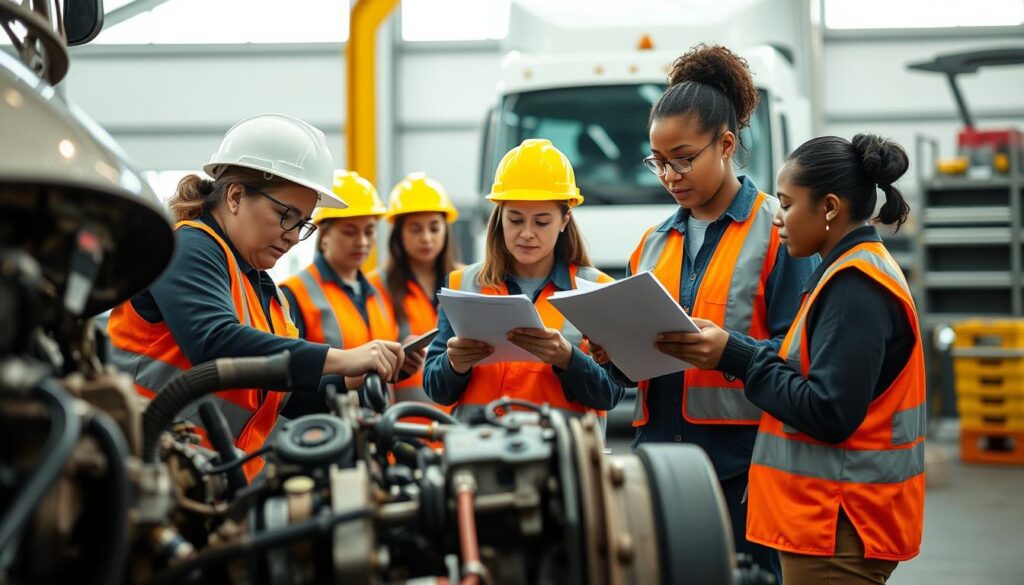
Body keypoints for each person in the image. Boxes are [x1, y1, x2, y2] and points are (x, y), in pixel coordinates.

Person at [593, 44, 818, 577]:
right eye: (658, 161)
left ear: (726, 144)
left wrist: (729, 353)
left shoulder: (780, 234)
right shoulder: (651, 244)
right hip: (660, 469)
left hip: (746, 472)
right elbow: (628, 371)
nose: (670, 175)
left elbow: (804, 359)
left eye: (683, 158)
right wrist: (612, 353)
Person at [673, 134, 924, 584]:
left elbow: (828, 411)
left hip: (838, 526)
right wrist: (736, 350)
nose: (778, 219)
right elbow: (806, 366)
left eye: (787, 205)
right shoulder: (848, 272)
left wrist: (740, 359)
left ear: (829, 207)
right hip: (835, 521)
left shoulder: (854, 286)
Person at [107, 114, 404, 479]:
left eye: (303, 223)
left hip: (208, 480)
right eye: (286, 215)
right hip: (139, 464)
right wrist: (341, 359)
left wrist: (348, 380)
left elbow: (285, 397)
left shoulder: (267, 295)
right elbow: (213, 340)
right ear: (235, 196)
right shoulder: (188, 246)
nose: (293, 236)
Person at [423, 139, 625, 431]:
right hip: (478, 452)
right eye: (515, 220)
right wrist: (453, 364)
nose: (527, 233)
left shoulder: (596, 289)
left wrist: (568, 359)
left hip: (561, 455)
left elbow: (611, 393)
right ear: (499, 216)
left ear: (565, 219)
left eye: (541, 222)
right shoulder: (462, 284)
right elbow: (435, 388)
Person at [279, 171, 424, 417]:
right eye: (350, 231)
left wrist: (399, 365)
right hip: (324, 433)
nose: (362, 242)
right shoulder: (293, 294)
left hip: (375, 433)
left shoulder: (378, 293)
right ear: (324, 234)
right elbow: (288, 386)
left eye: (369, 231)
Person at [368, 172, 460, 405]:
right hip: (404, 419)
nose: (426, 238)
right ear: (398, 233)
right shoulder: (377, 285)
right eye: (415, 229)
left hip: (458, 418)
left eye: (434, 228)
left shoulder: (465, 281)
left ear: (446, 230)